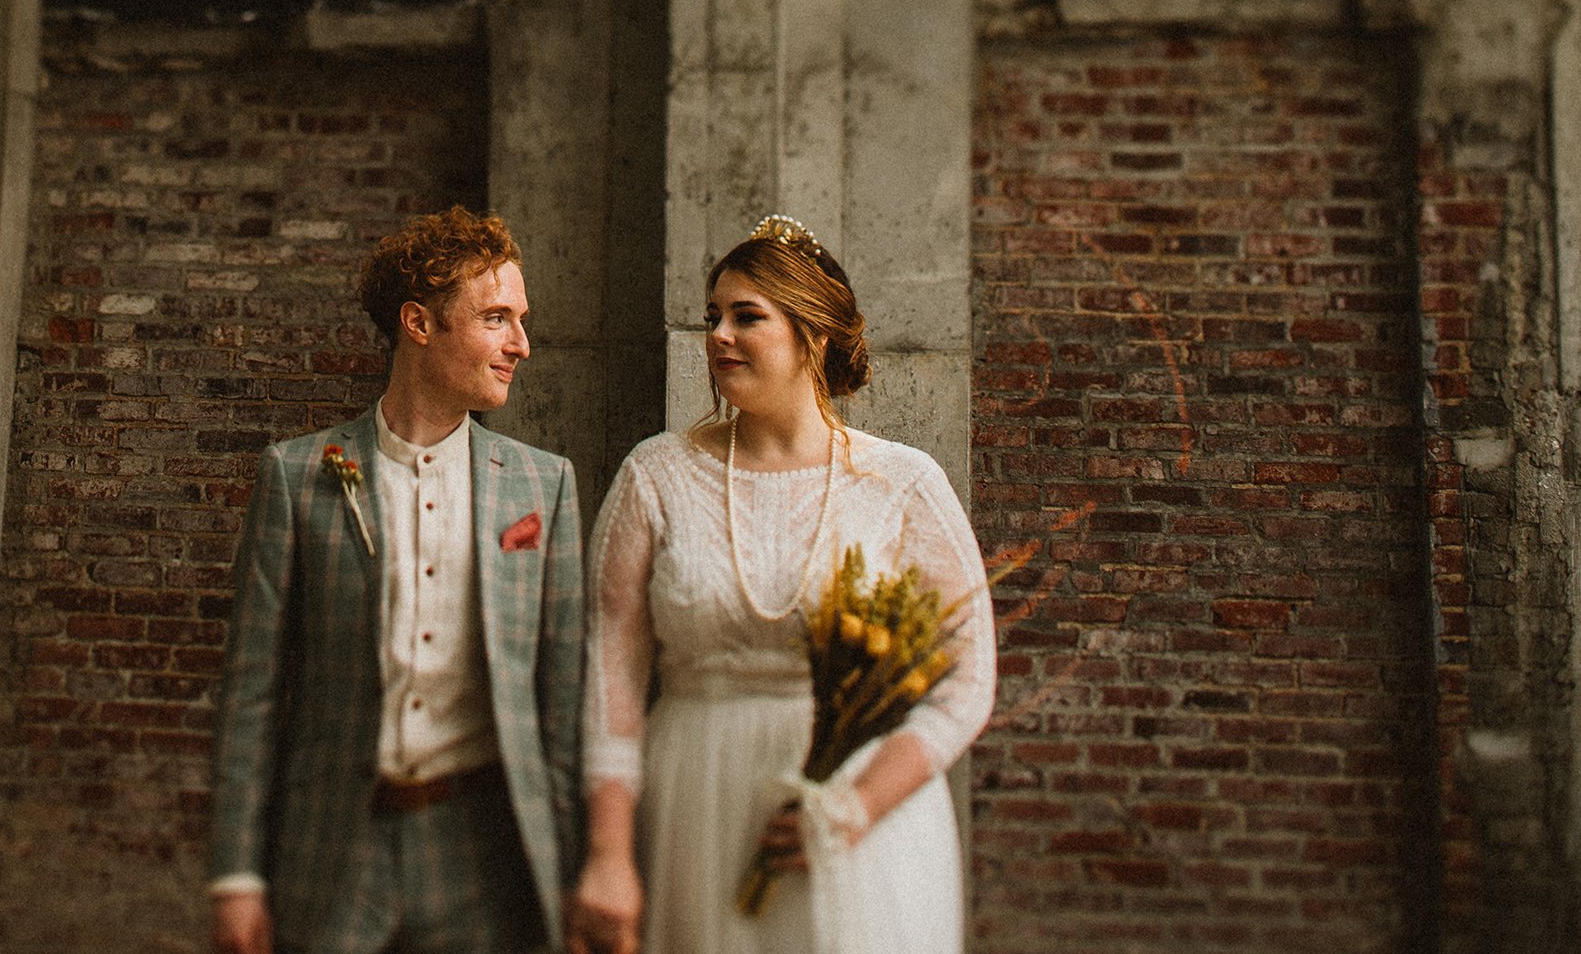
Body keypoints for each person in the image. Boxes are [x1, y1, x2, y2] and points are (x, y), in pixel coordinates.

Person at [565, 216, 995, 954]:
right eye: (713, 318)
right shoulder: (656, 475)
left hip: (853, 822)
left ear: (813, 337)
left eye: (746, 317)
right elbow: (611, 678)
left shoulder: (902, 482)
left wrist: (857, 803)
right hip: (694, 802)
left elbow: (969, 674)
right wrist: (608, 853)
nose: (719, 336)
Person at [209, 206, 585, 954]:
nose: (522, 344)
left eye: (521, 320)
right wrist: (236, 876)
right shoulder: (297, 475)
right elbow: (252, 692)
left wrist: (573, 873)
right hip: (334, 845)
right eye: (497, 319)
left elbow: (564, 704)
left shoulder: (544, 488)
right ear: (419, 323)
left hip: (487, 852)